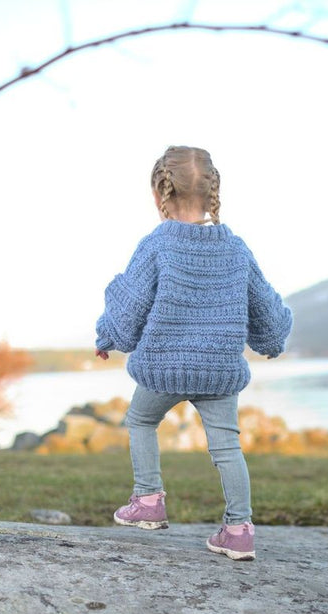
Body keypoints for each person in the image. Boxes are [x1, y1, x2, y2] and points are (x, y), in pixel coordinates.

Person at [95, 145, 292, 561]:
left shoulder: (157, 245)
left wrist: (106, 337)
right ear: (213, 191)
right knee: (227, 447)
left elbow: (128, 309)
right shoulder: (236, 248)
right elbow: (267, 311)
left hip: (163, 367)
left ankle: (148, 500)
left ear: (159, 194)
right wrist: (273, 342)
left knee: (141, 420)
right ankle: (238, 530)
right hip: (219, 371)